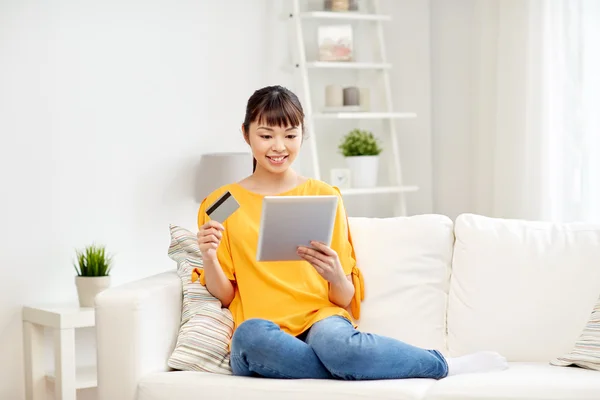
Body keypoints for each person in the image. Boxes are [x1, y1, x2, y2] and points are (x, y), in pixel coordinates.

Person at [195, 85, 508, 380]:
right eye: (266, 135)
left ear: (303, 135)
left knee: (340, 346)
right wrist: (209, 256)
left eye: (290, 135)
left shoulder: (322, 195)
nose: (279, 147)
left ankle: (440, 365)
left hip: (320, 320)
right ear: (246, 135)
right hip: (263, 331)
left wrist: (334, 274)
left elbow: (344, 297)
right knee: (250, 336)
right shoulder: (223, 203)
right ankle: (352, 369)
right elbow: (225, 294)